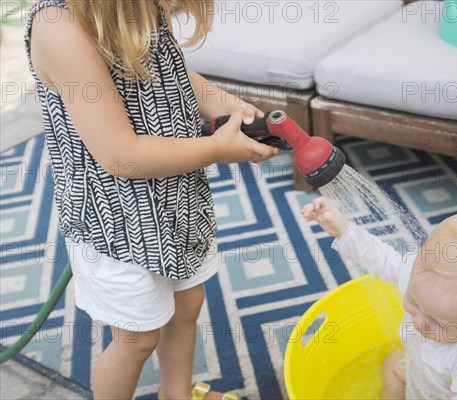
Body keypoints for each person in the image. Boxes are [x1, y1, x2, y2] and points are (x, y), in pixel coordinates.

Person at [25, 1, 279, 399]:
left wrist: (227, 104)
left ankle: (175, 394)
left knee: (188, 304)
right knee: (137, 338)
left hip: (176, 198)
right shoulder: (59, 28)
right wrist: (214, 149)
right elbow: (120, 155)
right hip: (114, 221)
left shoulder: (139, 7)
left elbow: (168, 71)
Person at [301, 197, 457, 399]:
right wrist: (343, 229)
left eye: (438, 323)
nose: (419, 323)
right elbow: (381, 258)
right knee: (393, 365)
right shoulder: (420, 283)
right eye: (413, 303)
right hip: (421, 377)